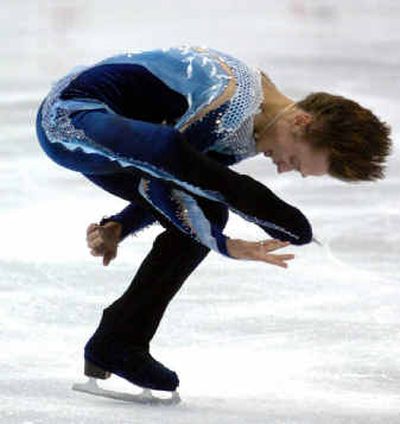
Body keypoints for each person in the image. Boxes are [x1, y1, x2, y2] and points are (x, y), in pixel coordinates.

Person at [35, 45, 391, 393]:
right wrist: (225, 243)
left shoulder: (253, 130)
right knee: (192, 181)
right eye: (295, 161)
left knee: (205, 203)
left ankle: (117, 342)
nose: (282, 169)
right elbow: (165, 165)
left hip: (126, 148)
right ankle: (250, 198)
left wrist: (119, 226)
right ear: (301, 121)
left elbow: (169, 180)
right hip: (70, 118)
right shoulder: (230, 103)